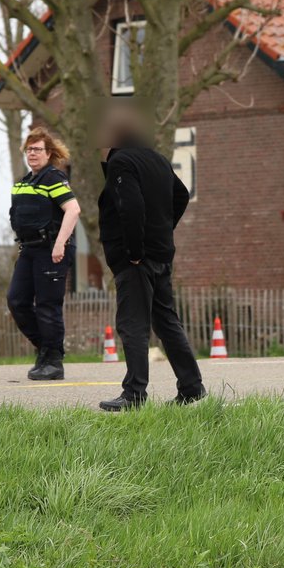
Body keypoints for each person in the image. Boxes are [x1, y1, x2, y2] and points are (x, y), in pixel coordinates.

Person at [95, 110, 206, 411]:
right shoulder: (157, 159)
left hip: (137, 259)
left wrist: (133, 251)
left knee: (133, 324)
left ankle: (134, 394)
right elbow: (180, 195)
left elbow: (131, 207)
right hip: (161, 254)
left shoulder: (122, 162)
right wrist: (163, 230)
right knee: (167, 322)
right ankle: (191, 386)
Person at [7, 128, 80, 380]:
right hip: (29, 249)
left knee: (48, 306)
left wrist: (60, 243)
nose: (32, 154)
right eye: (29, 149)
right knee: (16, 300)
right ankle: (45, 350)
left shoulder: (54, 178)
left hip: (52, 250)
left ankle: (54, 362)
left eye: (37, 149)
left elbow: (73, 210)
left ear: (48, 153)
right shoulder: (25, 182)